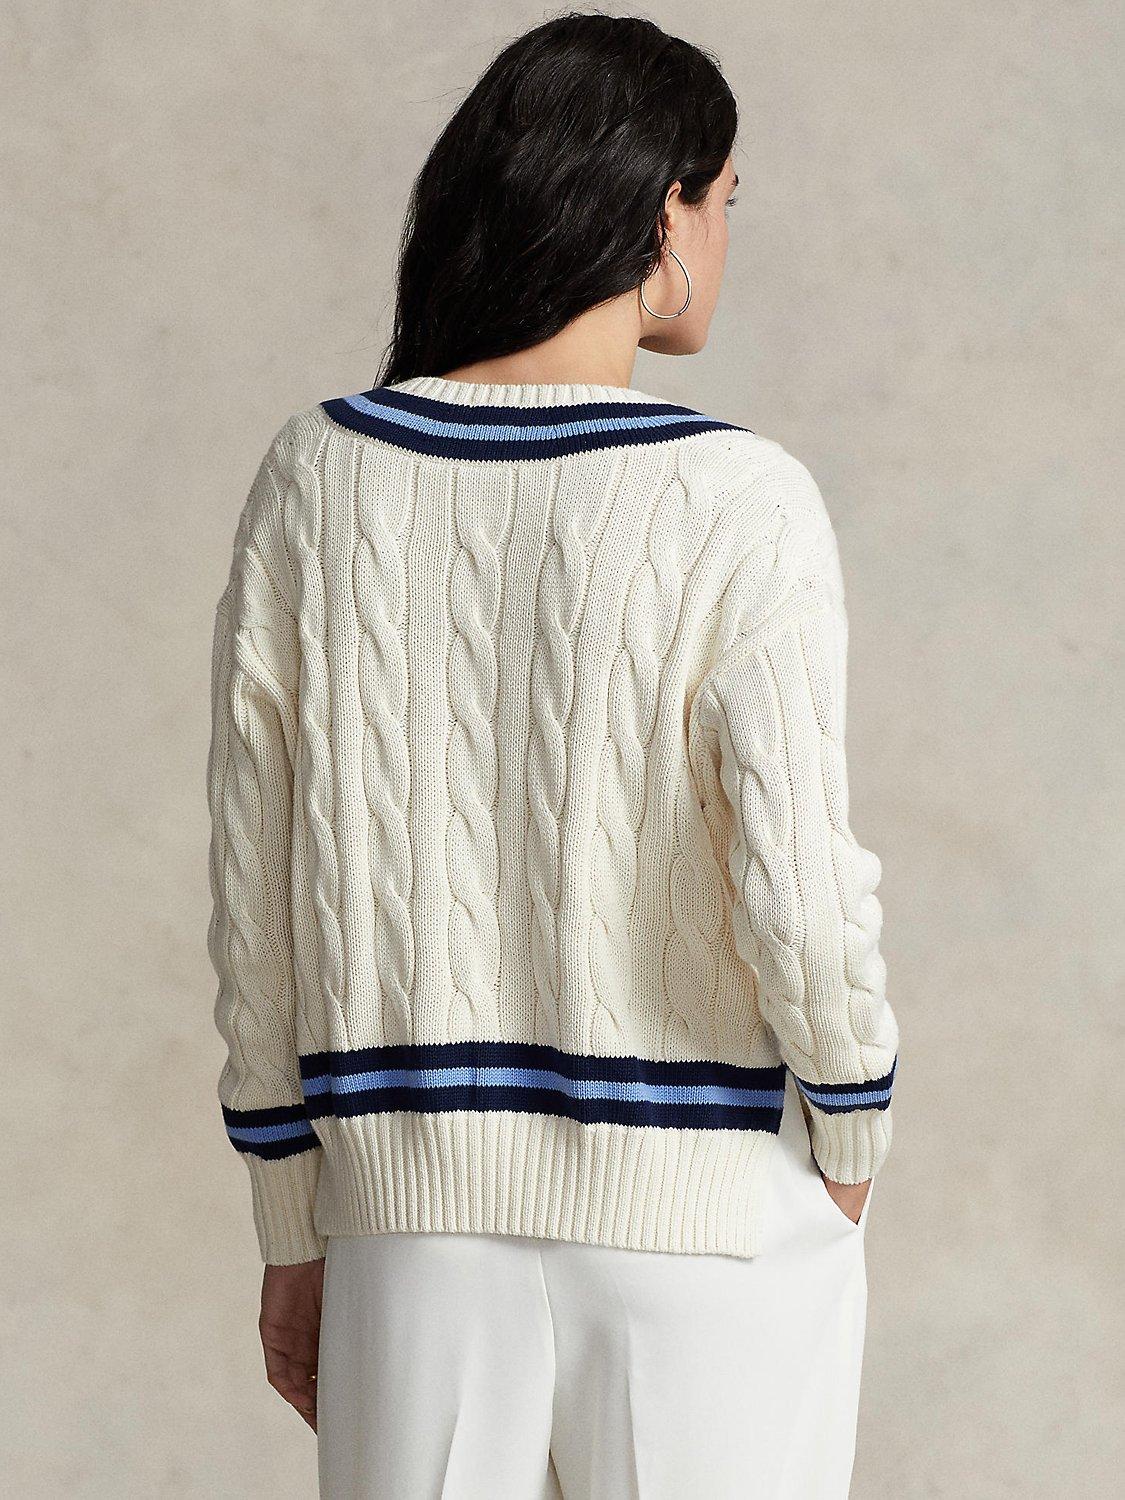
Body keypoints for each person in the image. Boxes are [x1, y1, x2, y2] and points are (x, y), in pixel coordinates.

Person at [205, 12, 900, 1498]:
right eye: (725, 202)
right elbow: (797, 872)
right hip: (706, 1207)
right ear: (664, 214)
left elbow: (256, 890)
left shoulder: (319, 475)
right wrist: (851, 1128)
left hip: (407, 1221)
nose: (725, 238)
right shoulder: (738, 497)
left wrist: (291, 1215)